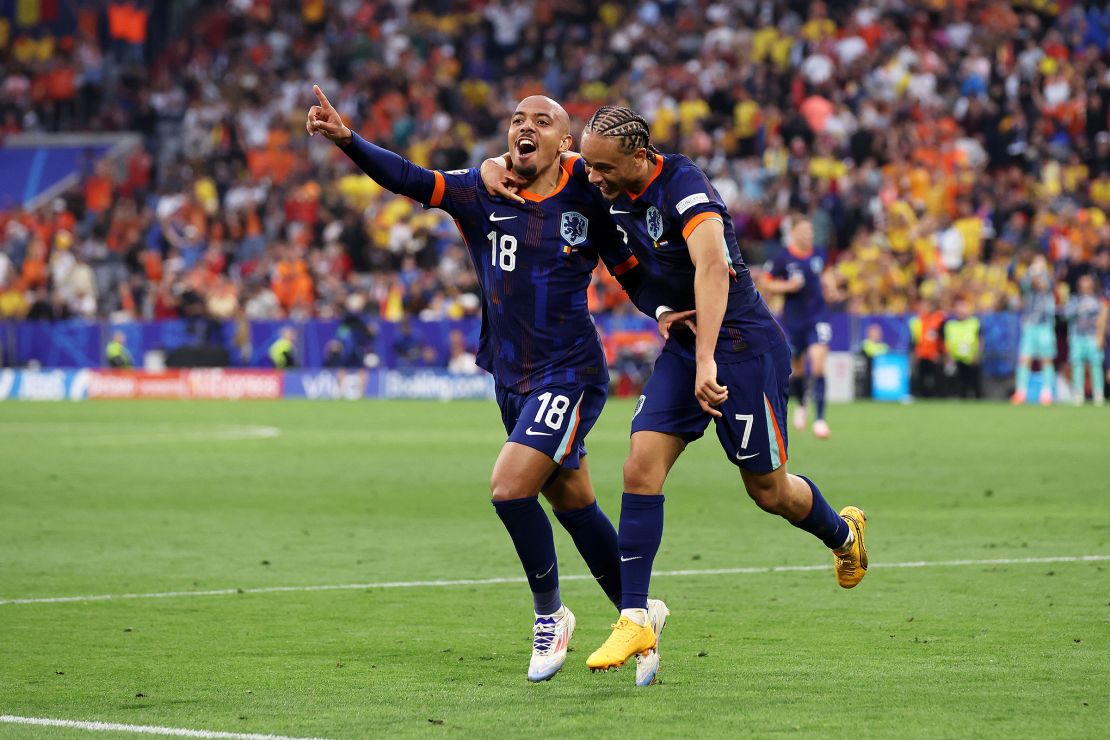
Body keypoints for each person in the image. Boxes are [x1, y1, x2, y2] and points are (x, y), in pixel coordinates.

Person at [481, 105, 868, 676]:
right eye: (587, 167)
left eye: (603, 169)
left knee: (769, 490)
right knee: (640, 467)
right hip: (689, 347)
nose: (594, 178)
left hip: (741, 348)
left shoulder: (685, 185)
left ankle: (843, 532)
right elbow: (535, 159)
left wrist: (708, 358)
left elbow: (713, 269)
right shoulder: (600, 175)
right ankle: (634, 615)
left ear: (638, 156)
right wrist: (494, 163)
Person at [308, 88, 670, 685]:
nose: (525, 127)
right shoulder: (481, 190)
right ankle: (637, 614)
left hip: (570, 372)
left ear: (566, 142)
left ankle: (552, 614)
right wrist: (348, 139)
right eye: (517, 120)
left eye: (542, 121)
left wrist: (662, 310)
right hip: (510, 374)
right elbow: (410, 179)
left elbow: (630, 263)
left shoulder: (588, 191)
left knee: (508, 489)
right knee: (573, 502)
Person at [760, 217, 836, 438]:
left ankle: (820, 420)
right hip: (794, 321)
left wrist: (830, 287)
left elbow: (827, 275)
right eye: (803, 231)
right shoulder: (783, 258)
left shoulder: (820, 254)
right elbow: (766, 283)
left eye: (810, 231)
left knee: (819, 364)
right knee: (799, 368)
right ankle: (802, 405)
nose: (808, 235)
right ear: (793, 233)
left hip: (818, 317)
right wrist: (787, 286)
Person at [1012, 257, 1057, 405]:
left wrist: (1041, 273)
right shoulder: (1027, 278)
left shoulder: (1049, 278)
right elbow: (1023, 282)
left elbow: (1046, 285)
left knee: (1046, 359)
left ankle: (1047, 392)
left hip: (1045, 324)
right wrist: (1032, 272)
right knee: (1025, 358)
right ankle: (1021, 391)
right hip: (1030, 324)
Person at [1065, 274, 1108, 406]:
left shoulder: (1098, 299)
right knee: (1077, 365)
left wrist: (1100, 335)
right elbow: (1066, 314)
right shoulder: (1074, 299)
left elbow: (1103, 318)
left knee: (1096, 365)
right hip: (1077, 336)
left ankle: (1098, 393)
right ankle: (1078, 393)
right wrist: (1078, 308)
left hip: (1092, 336)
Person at [943, 296, 982, 399]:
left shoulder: (974, 322)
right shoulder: (950, 325)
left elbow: (979, 339)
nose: (960, 311)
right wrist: (948, 356)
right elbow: (947, 341)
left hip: (970, 359)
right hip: (956, 359)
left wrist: (977, 354)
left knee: (974, 384)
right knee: (959, 385)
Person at [908, 298, 946, 398]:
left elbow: (942, 338)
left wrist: (941, 352)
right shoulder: (918, 320)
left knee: (937, 377)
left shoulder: (938, 319)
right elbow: (915, 338)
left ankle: (939, 396)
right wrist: (915, 353)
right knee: (920, 377)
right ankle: (920, 396)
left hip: (934, 354)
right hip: (921, 353)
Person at [860, 323, 889, 399]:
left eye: (878, 333)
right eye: (874, 333)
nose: (876, 335)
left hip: (883, 372)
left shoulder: (884, 346)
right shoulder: (865, 344)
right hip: (869, 370)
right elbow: (868, 353)